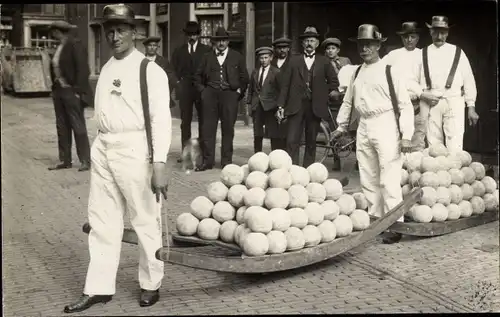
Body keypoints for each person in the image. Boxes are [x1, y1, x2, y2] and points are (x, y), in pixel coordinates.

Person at [63, 4, 171, 313]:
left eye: (121, 29)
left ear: (134, 32)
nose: (114, 36)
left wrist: (159, 163)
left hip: (136, 150)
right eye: (109, 30)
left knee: (145, 219)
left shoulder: (150, 70)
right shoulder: (108, 67)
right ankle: (98, 288)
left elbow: (161, 119)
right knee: (102, 221)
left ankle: (151, 283)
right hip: (105, 147)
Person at [331, 24, 414, 244]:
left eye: (369, 44)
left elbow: (405, 105)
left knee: (389, 175)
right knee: (368, 174)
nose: (364, 49)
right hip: (364, 125)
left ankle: (395, 223)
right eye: (361, 44)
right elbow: (348, 102)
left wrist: (406, 135)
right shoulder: (356, 72)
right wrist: (340, 127)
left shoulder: (390, 69)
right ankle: (375, 218)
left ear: (378, 45)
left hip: (386, 123)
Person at [277, 26, 339, 167]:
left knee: (311, 140)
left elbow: (334, 83)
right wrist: (280, 105)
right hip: (295, 105)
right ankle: (292, 169)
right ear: (302, 43)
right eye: (307, 41)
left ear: (317, 43)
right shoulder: (293, 60)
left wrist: (323, 94)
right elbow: (285, 84)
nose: (309, 43)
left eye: (312, 40)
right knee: (292, 139)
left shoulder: (324, 61)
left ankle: (307, 170)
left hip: (315, 106)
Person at [415, 16, 479, 152]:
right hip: (431, 102)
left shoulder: (458, 52)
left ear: (448, 33)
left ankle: (455, 172)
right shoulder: (422, 53)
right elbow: (413, 81)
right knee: (434, 146)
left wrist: (471, 106)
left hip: (454, 100)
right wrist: (422, 94)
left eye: (443, 32)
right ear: (430, 32)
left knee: (455, 144)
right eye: (436, 32)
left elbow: (468, 79)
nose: (439, 36)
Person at [194, 27, 249, 171]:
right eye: (218, 41)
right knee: (208, 129)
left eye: (224, 40)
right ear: (214, 42)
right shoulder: (206, 57)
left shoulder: (237, 57)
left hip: (229, 95)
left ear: (228, 42)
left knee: (228, 129)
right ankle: (208, 161)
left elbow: (245, 78)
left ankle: (226, 161)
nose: (221, 43)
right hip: (210, 95)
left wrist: (237, 93)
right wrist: (203, 92)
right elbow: (197, 77)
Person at [47, 20, 93, 172]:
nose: (52, 35)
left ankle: (85, 160)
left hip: (72, 91)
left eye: (53, 32)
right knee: (62, 126)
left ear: (59, 31)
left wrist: (79, 91)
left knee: (77, 126)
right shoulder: (59, 47)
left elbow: (83, 69)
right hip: (59, 90)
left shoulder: (75, 44)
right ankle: (65, 160)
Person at [171, 21, 211, 161]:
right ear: (186, 35)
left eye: (194, 34)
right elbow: (173, 70)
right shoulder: (179, 51)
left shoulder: (206, 50)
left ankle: (200, 152)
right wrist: (178, 84)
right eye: (189, 34)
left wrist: (205, 88)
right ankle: (185, 152)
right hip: (185, 90)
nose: (192, 37)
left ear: (198, 35)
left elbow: (209, 69)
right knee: (185, 122)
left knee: (203, 121)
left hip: (201, 90)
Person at [383, 22, 426, 151]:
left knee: (418, 138)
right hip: (397, 103)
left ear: (417, 38)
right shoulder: (393, 55)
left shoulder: (423, 54)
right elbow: (380, 70)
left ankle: (415, 167)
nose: (409, 40)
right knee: (396, 137)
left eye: (412, 37)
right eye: (406, 37)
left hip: (417, 102)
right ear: (401, 38)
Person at [321, 37, 352, 171]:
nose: (330, 51)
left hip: (347, 99)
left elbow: (352, 76)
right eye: (328, 49)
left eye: (333, 48)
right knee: (334, 129)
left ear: (338, 50)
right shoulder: (322, 62)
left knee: (352, 130)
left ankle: (358, 160)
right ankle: (336, 158)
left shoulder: (345, 61)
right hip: (332, 100)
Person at [247, 46, 282, 152]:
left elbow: (280, 90)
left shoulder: (276, 72)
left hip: (270, 107)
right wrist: (249, 104)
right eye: (261, 58)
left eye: (266, 57)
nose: (263, 60)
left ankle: (274, 157)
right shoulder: (255, 72)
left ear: (271, 58)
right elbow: (251, 89)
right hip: (257, 106)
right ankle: (257, 156)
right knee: (257, 133)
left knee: (273, 133)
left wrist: (279, 106)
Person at [270, 36, 293, 147]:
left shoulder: (293, 62)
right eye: (279, 48)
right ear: (275, 49)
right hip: (273, 100)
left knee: (287, 130)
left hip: (288, 100)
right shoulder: (271, 62)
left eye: (284, 47)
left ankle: (286, 156)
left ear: (288, 48)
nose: (282, 50)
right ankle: (275, 155)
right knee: (274, 131)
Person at [143, 35, 178, 105]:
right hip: (144, 96)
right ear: (146, 47)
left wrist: (165, 93)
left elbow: (171, 79)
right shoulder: (141, 60)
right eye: (150, 45)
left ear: (157, 47)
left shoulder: (163, 61)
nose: (152, 48)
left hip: (160, 97)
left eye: (155, 45)